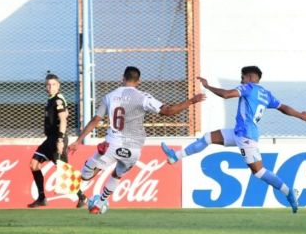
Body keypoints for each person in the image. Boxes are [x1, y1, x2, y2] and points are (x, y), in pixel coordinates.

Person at [160, 66, 306, 213]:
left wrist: (208, 86)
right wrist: (301, 115)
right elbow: (283, 107)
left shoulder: (249, 88)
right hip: (239, 132)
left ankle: (288, 192)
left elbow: (226, 94)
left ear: (250, 78)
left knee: (258, 172)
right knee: (207, 138)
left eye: (242, 77)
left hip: (245, 136)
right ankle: (175, 156)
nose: (241, 80)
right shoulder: (266, 93)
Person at [69, 66, 205, 214]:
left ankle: (93, 167)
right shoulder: (143, 97)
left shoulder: (109, 96)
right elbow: (168, 111)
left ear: (123, 78)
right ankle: (100, 203)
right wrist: (192, 101)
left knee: (85, 175)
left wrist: (78, 140)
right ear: (138, 82)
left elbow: (96, 119)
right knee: (117, 174)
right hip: (133, 151)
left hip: (112, 144)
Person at [28, 72, 87, 208]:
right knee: (34, 164)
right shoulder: (52, 100)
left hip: (57, 139)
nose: (50, 87)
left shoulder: (58, 100)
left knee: (63, 170)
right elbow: (65, 113)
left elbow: (63, 120)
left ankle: (82, 197)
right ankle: (42, 198)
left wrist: (60, 140)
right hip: (49, 139)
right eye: (48, 85)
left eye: (53, 84)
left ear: (58, 85)